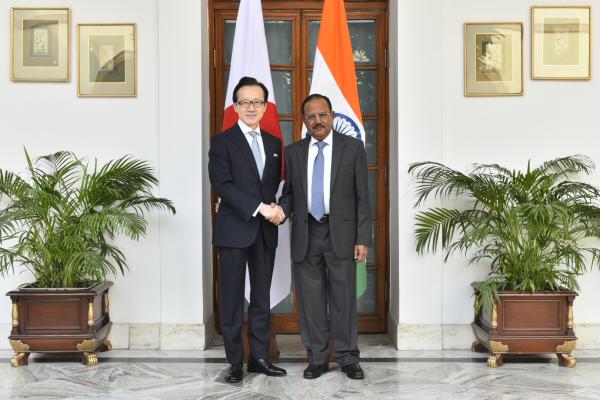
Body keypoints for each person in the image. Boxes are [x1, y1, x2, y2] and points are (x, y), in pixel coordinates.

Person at [276, 94, 371, 380]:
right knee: (311, 301)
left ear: (332, 116)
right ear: (304, 120)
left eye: (322, 115)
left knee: (343, 298)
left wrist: (362, 238)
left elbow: (362, 198)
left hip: (341, 233)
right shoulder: (293, 152)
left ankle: (347, 357)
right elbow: (290, 194)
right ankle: (317, 357)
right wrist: (279, 210)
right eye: (311, 116)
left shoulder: (352, 148)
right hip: (306, 233)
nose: (317, 121)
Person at [208, 76, 286, 383]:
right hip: (233, 230)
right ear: (236, 107)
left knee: (261, 299)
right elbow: (222, 185)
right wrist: (260, 207)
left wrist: (279, 208)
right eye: (245, 102)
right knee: (231, 298)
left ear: (265, 107)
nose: (251, 107)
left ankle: (259, 357)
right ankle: (235, 362)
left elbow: (276, 186)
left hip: (265, 232)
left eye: (257, 102)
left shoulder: (274, 143)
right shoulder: (222, 142)